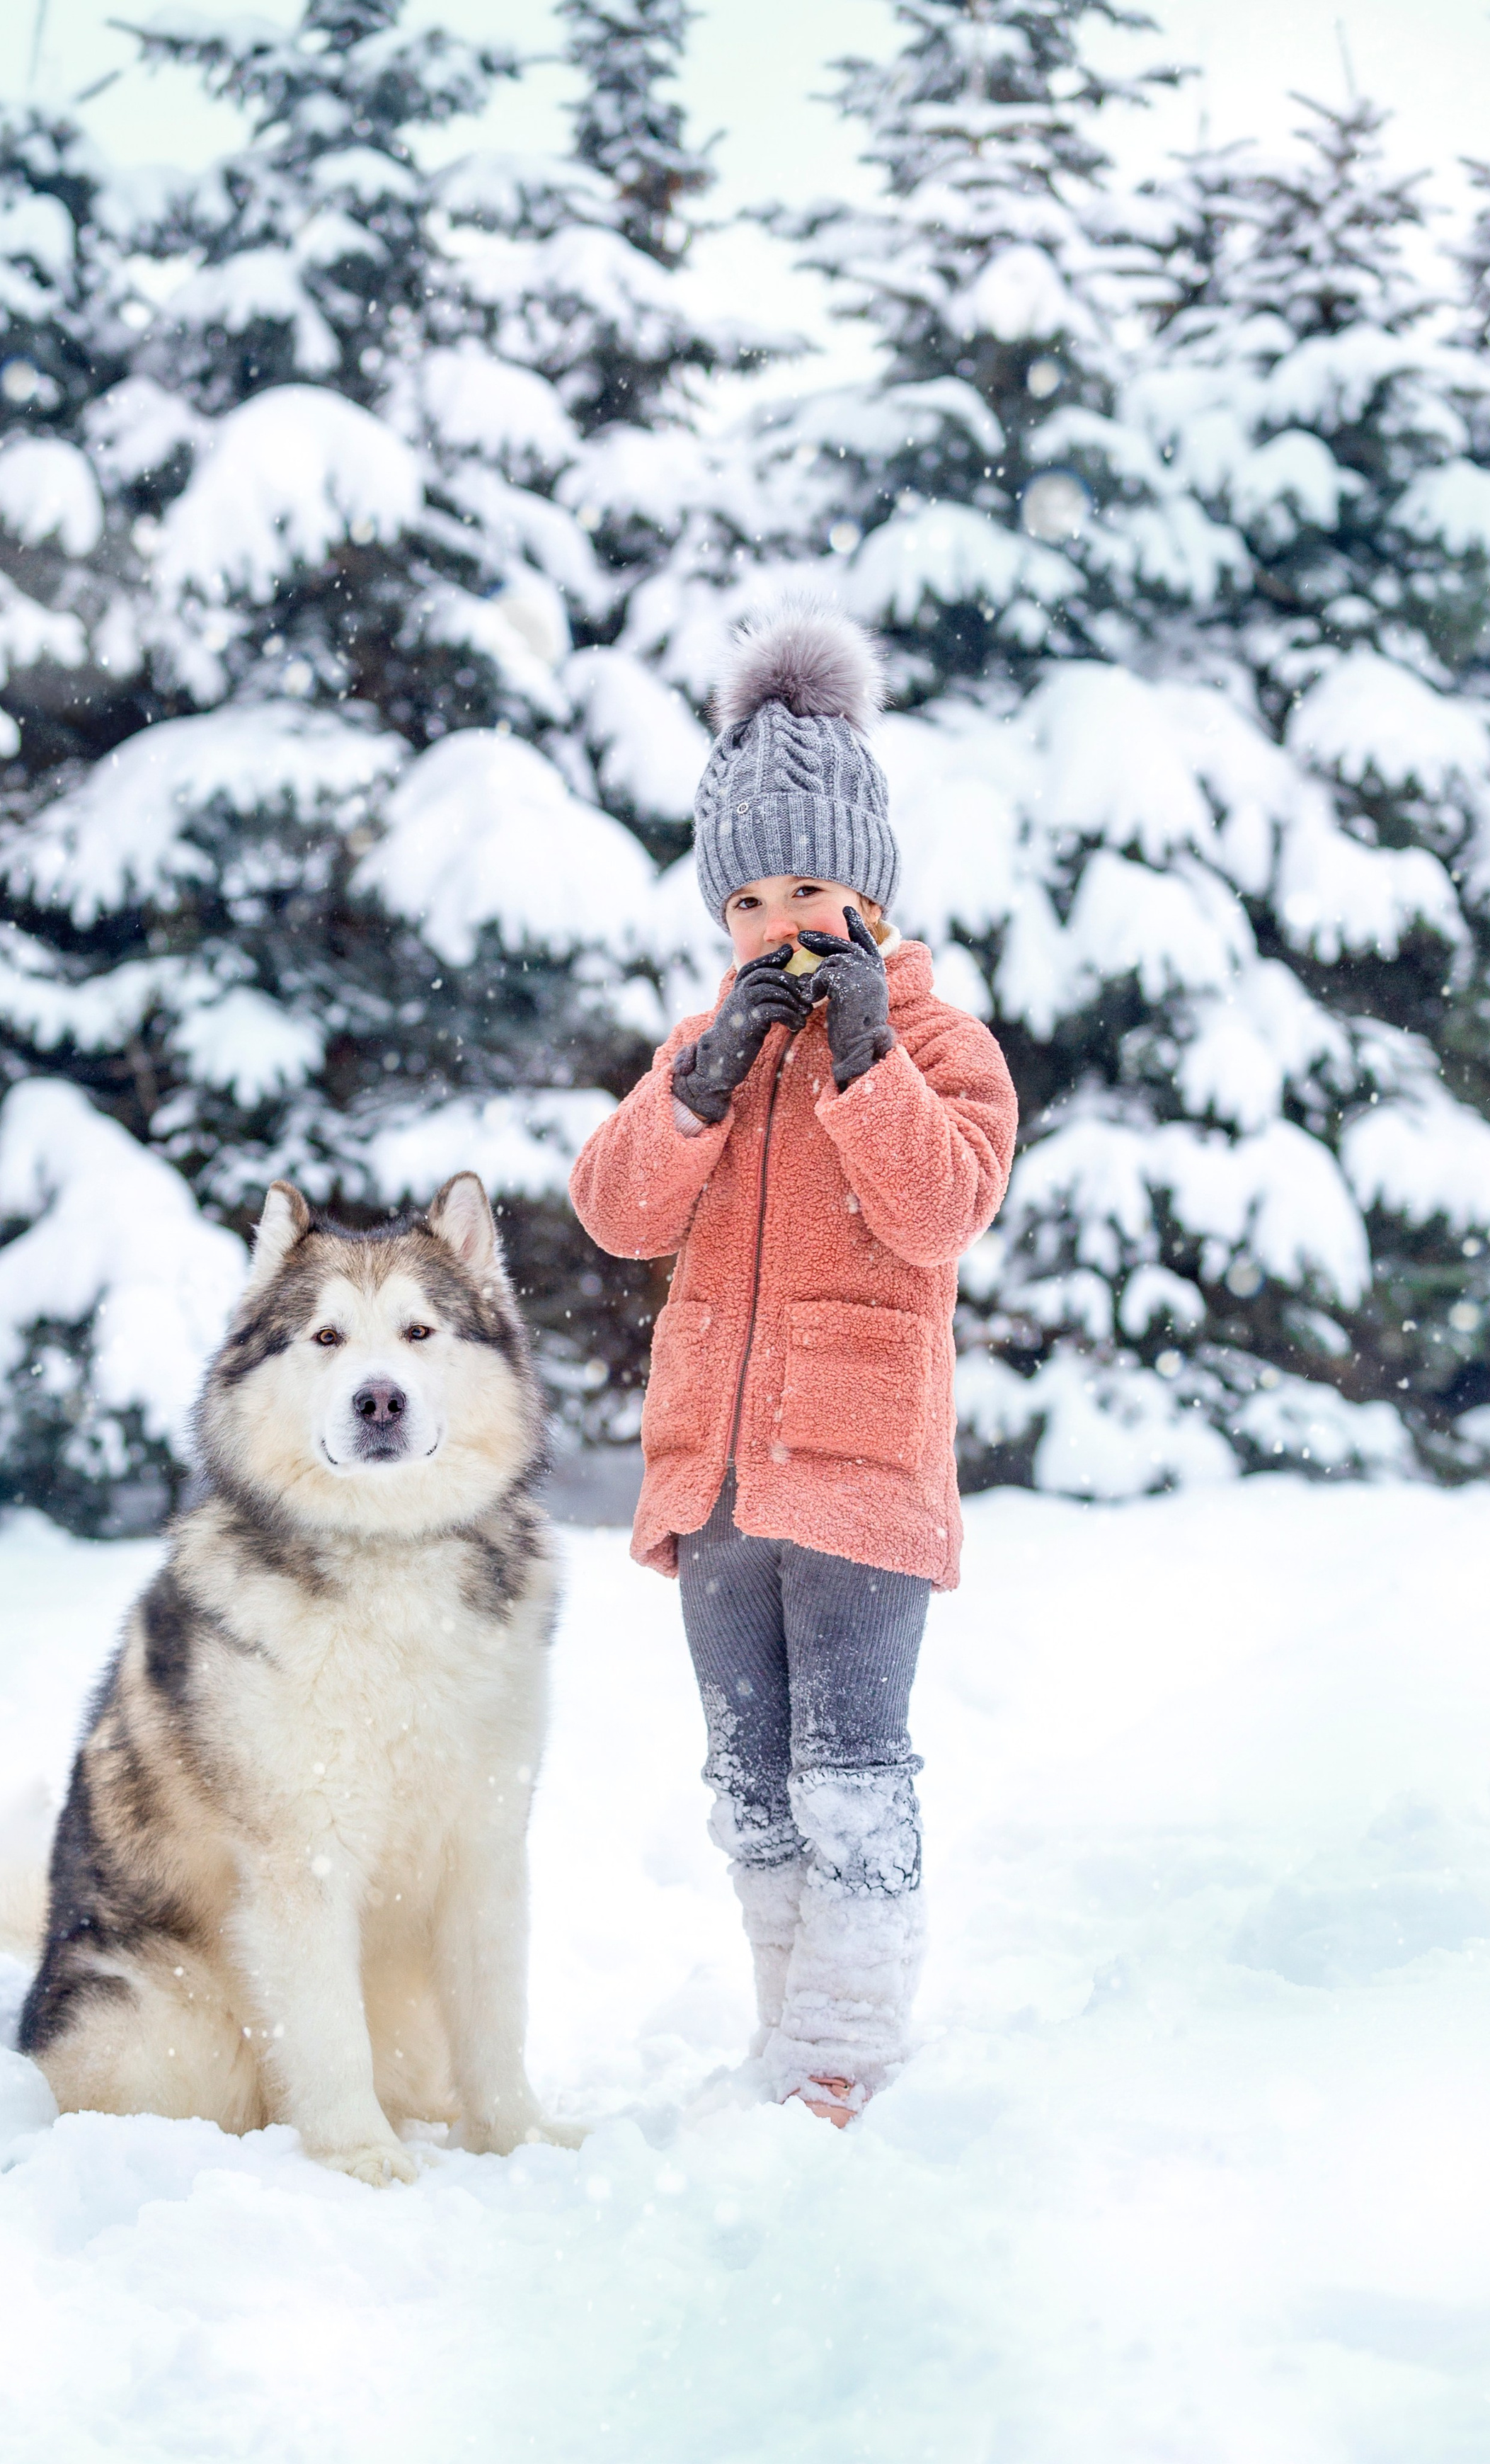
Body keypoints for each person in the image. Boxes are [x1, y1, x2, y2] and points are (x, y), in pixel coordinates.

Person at [568, 603, 1017, 2127]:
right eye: (748, 897)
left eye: (809, 886)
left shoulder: (938, 1046)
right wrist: (692, 1089)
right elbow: (617, 1212)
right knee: (748, 1784)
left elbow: (939, 1207)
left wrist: (864, 1062)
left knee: (848, 1771)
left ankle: (848, 2045)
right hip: (713, 1472)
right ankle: (785, 2030)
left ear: (869, 892)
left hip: (859, 1467)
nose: (779, 923)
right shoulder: (711, 1038)